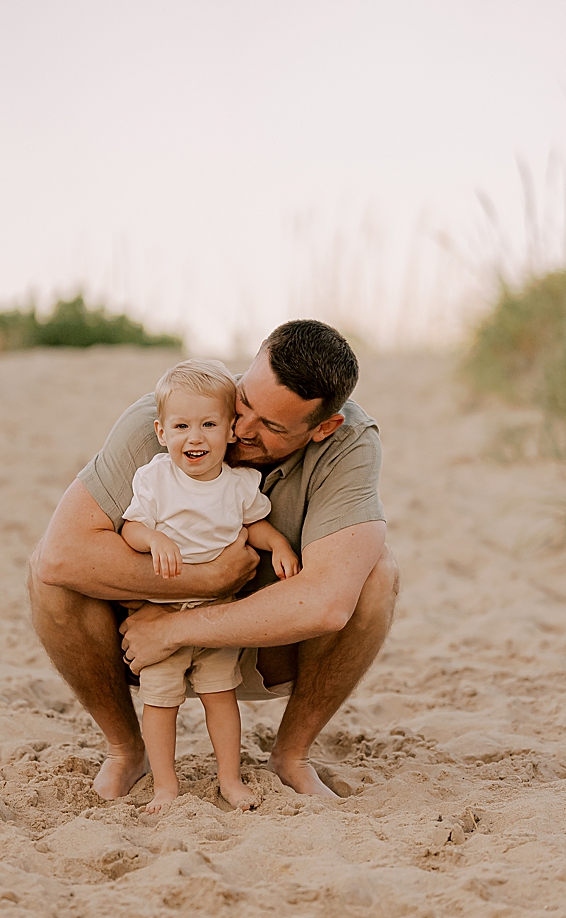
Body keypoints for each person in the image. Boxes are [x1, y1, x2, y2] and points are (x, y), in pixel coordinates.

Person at [29, 319, 396, 801]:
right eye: (245, 401)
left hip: (267, 646)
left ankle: (292, 754)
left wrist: (177, 628)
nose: (240, 429)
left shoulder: (349, 444)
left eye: (271, 426)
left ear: (323, 428)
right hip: (137, 643)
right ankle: (125, 749)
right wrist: (204, 579)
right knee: (47, 579)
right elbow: (60, 557)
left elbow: (327, 603)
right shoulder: (179, 413)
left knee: (376, 576)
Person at [119, 359, 299, 813]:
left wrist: (277, 545)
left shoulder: (239, 484)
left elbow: (255, 524)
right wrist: (153, 537)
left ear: (229, 432)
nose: (194, 437)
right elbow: (131, 528)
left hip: (219, 613)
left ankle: (229, 778)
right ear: (161, 432)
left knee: (220, 697)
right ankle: (165, 785)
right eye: (181, 426)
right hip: (162, 613)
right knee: (160, 702)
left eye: (208, 425)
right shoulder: (156, 478)